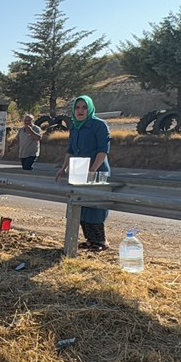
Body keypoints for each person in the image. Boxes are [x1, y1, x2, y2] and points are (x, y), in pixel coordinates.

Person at [56, 95, 111, 251]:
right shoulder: (75, 127)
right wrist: (63, 167)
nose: (80, 111)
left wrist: (92, 171)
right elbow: (71, 150)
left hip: (97, 171)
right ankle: (89, 240)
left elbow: (103, 151)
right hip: (79, 171)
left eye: (84, 107)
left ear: (90, 109)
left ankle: (100, 241)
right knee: (79, 206)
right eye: (77, 107)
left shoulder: (99, 125)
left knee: (95, 208)